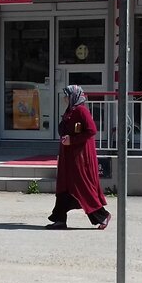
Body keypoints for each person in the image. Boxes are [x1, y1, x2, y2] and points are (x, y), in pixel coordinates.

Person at [46, 85, 111, 230]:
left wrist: (72, 140)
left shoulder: (81, 110)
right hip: (68, 155)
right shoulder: (70, 110)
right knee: (64, 185)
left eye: (67, 95)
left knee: (82, 186)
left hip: (79, 157)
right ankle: (60, 219)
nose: (65, 98)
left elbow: (91, 130)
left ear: (73, 96)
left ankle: (102, 216)